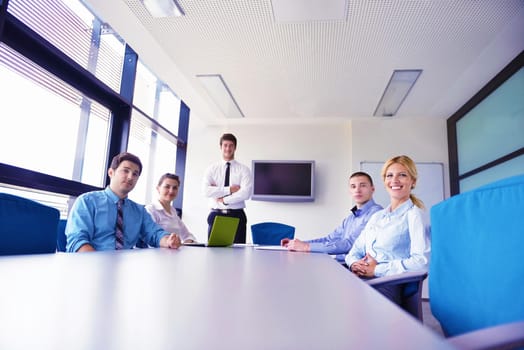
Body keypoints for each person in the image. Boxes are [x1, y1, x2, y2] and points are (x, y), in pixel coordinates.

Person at [345, 155, 430, 304]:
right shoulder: (377, 216)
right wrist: (354, 264)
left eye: (402, 175)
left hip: (386, 283)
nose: (394, 180)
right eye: (389, 175)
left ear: (413, 181)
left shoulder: (414, 215)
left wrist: (376, 270)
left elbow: (421, 262)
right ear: (384, 181)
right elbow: (355, 251)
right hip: (361, 278)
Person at [65, 152, 182, 252]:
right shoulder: (87, 201)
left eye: (135, 174)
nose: (130, 177)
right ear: (111, 173)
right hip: (90, 266)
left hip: (126, 269)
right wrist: (97, 264)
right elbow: (77, 241)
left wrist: (168, 240)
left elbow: (154, 234)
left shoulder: (139, 211)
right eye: (125, 171)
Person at [281, 172, 383, 264]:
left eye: (363, 185)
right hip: (341, 263)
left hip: (357, 268)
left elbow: (350, 244)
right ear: (350, 191)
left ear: (372, 189)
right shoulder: (351, 217)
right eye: (353, 186)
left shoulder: (376, 213)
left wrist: (306, 247)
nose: (357, 190)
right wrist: (299, 244)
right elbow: (329, 239)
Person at [202, 133, 252, 243]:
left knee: (238, 253)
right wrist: (229, 189)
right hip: (216, 215)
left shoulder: (244, 170)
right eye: (225, 145)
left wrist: (224, 199)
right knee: (215, 254)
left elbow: (246, 193)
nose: (228, 148)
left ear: (235, 147)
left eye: (231, 145)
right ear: (221, 147)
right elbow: (206, 191)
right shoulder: (212, 169)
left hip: (237, 215)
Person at [145, 173, 197, 244]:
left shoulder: (173, 211)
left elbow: (188, 235)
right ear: (158, 188)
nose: (171, 191)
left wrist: (187, 242)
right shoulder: (151, 209)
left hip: (173, 252)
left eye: (175, 188)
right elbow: (150, 237)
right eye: (167, 187)